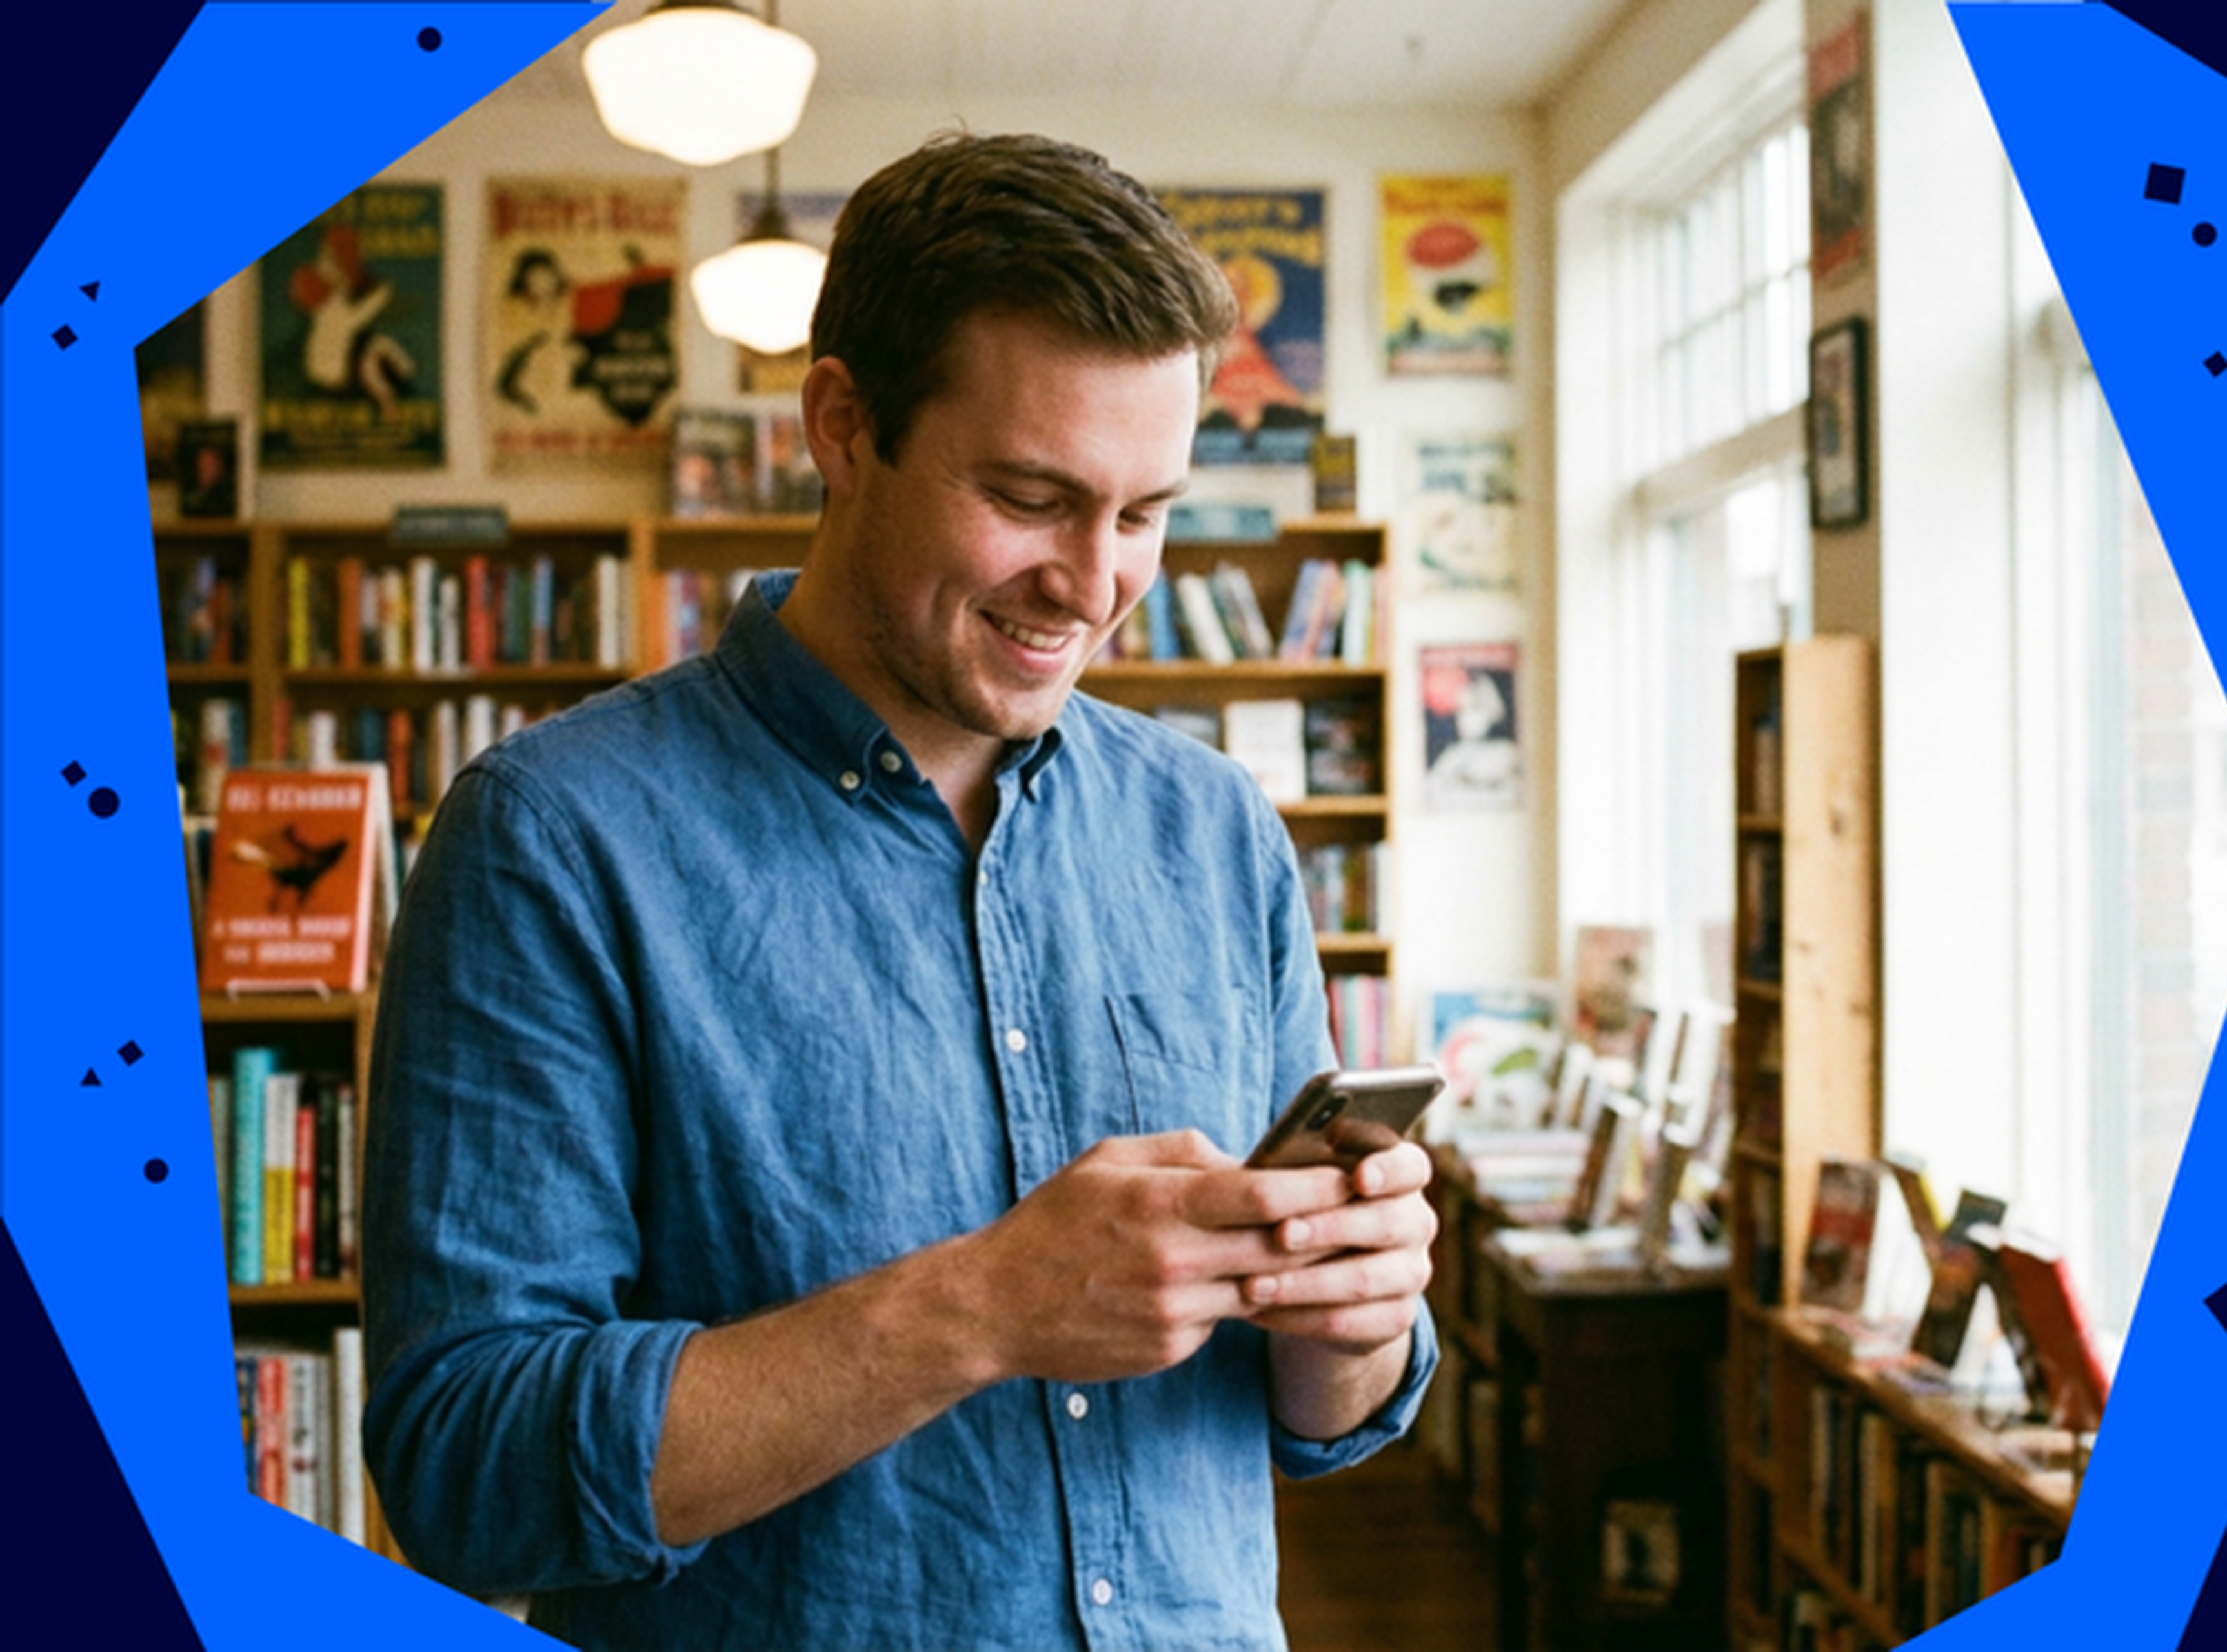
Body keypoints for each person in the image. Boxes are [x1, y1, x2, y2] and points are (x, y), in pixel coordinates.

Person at [361, 131, 1438, 1650]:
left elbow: (1319, 1415)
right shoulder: (549, 839)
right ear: (843, 425)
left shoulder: (1217, 828)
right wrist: (984, 1306)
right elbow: (464, 1462)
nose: (1093, 583)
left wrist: (1359, 1316)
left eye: (1143, 514)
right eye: (1029, 495)